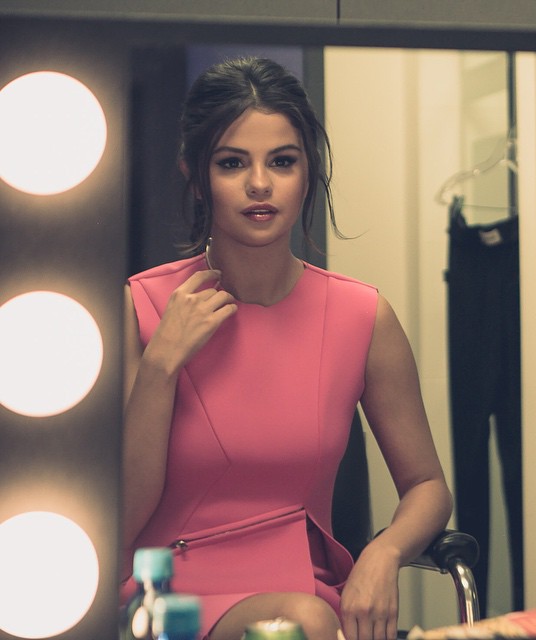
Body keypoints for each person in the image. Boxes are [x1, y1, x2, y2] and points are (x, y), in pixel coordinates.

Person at [121, 57, 453, 640]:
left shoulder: (361, 316)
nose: (259, 183)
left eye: (282, 161)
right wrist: (161, 365)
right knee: (297, 625)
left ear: (308, 171)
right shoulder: (144, 306)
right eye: (231, 163)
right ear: (196, 177)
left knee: (301, 621)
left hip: (307, 598)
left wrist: (384, 553)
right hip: (162, 596)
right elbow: (120, 516)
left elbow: (428, 486)